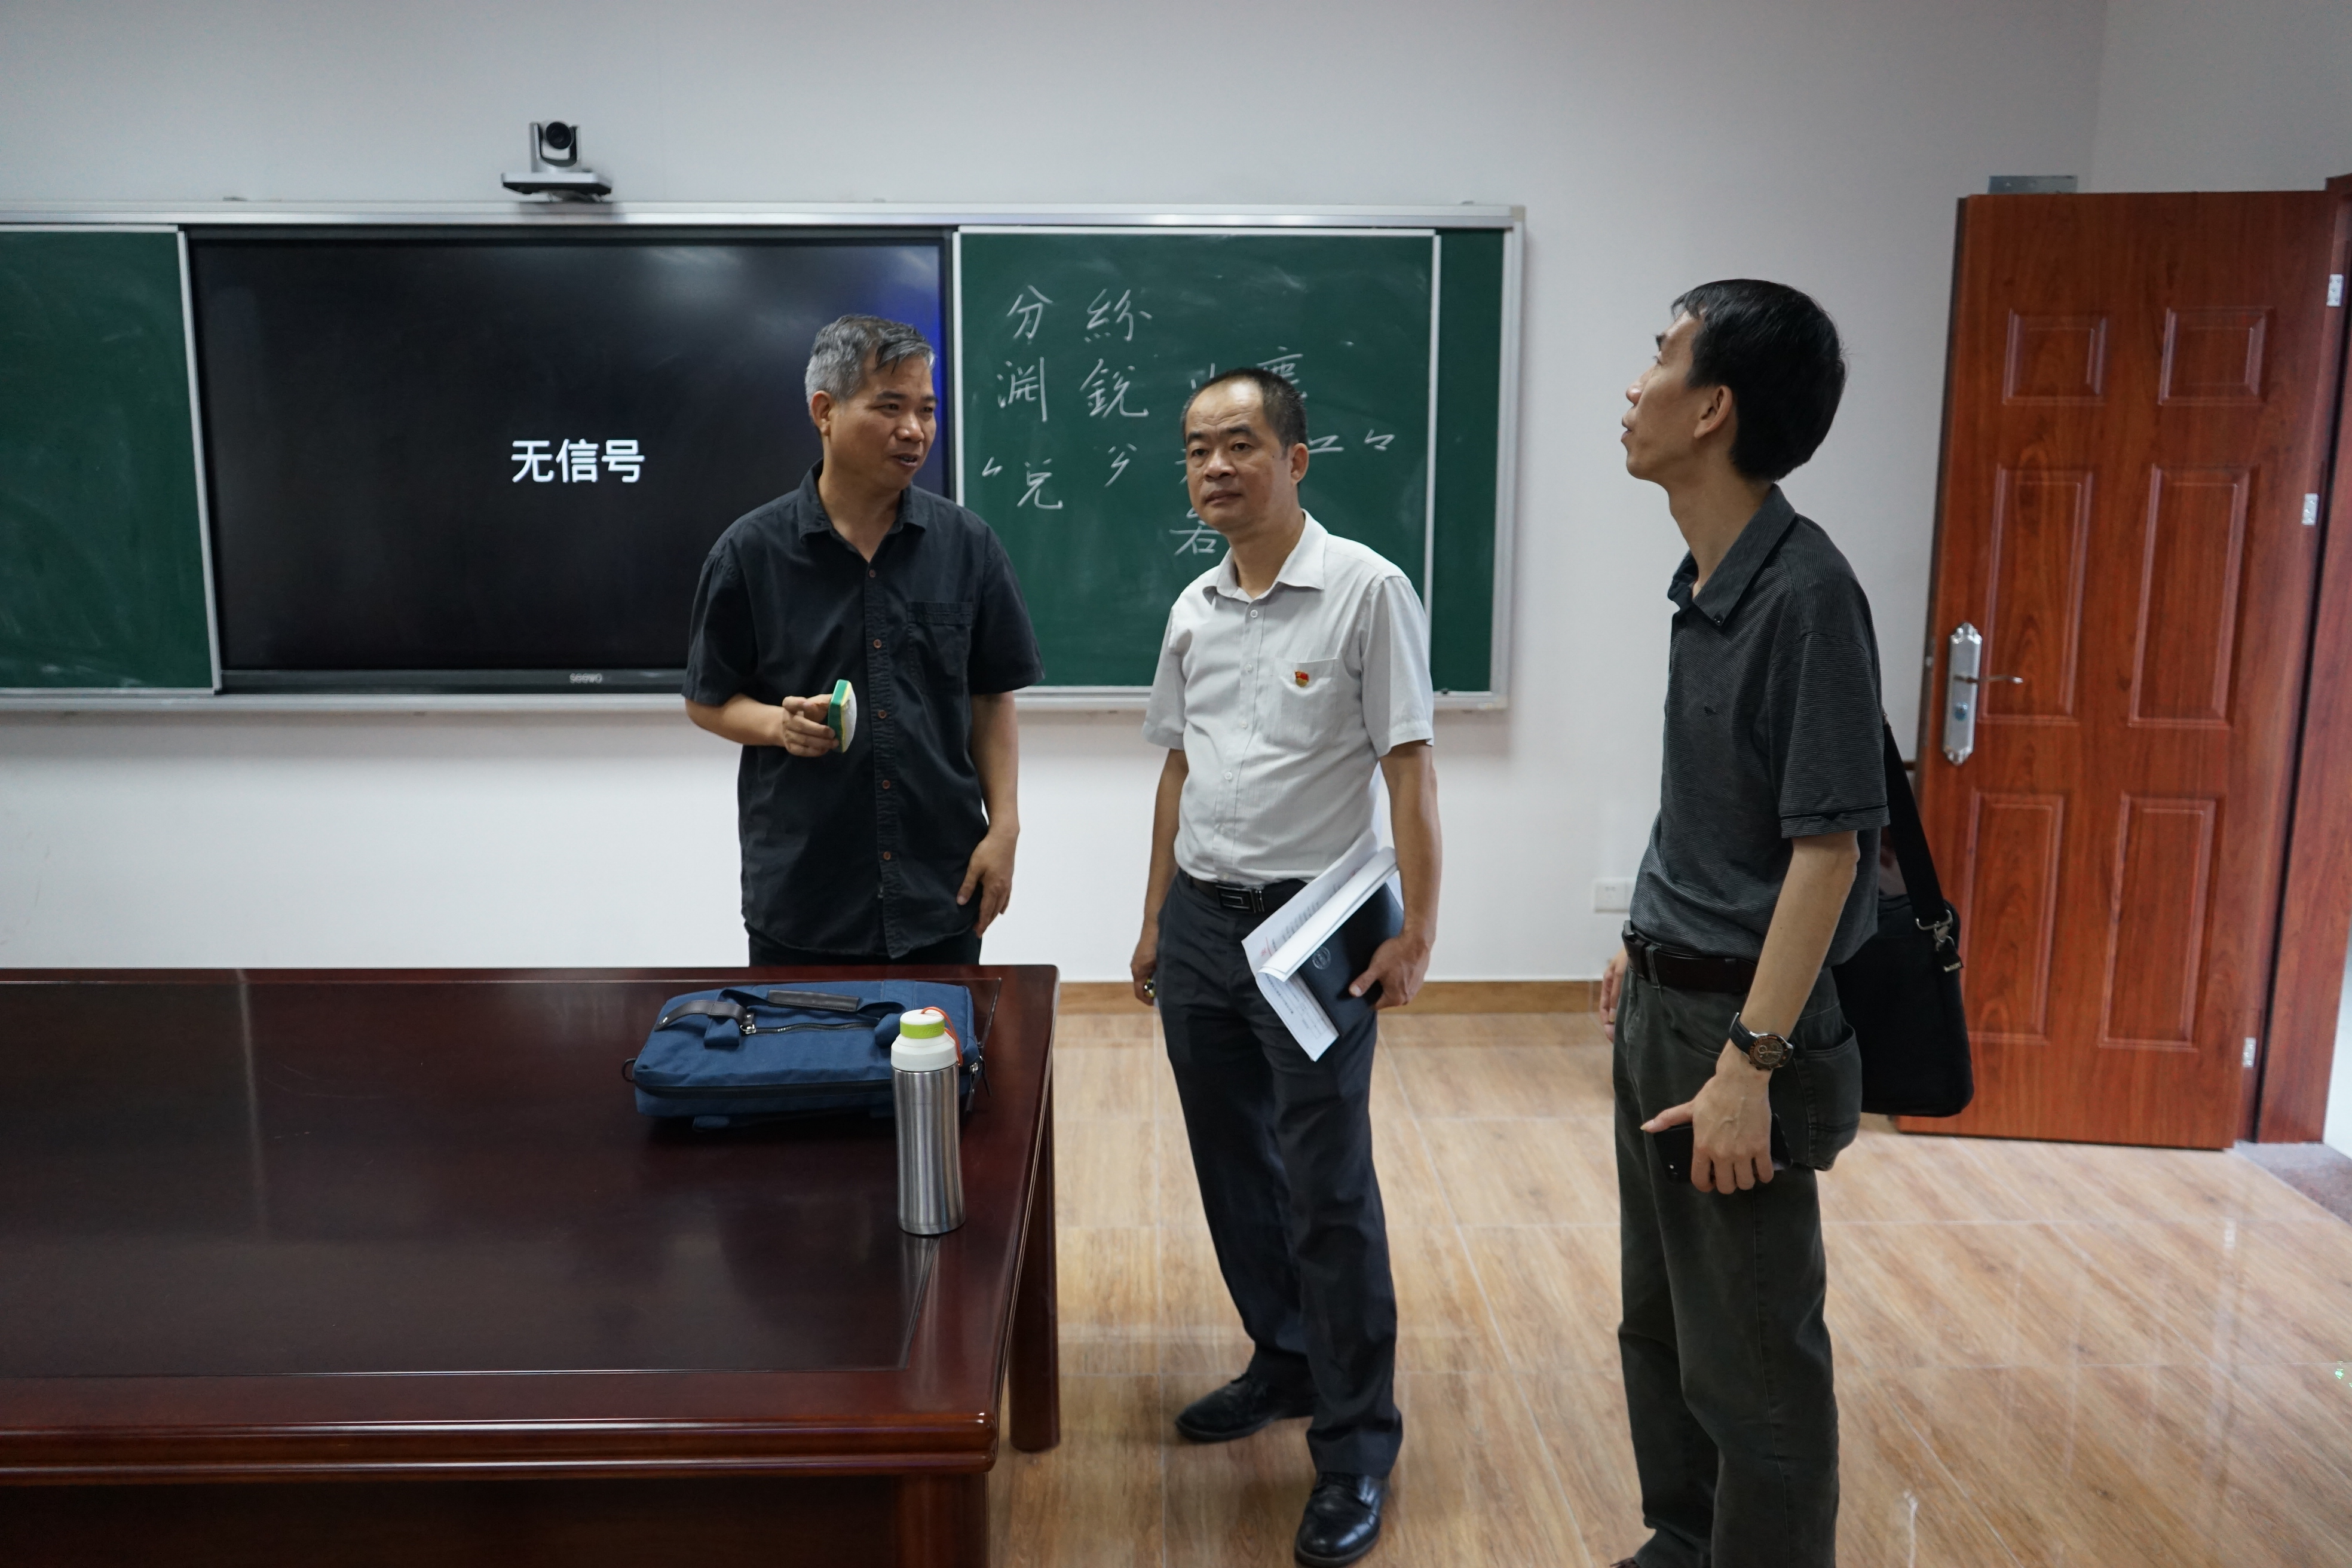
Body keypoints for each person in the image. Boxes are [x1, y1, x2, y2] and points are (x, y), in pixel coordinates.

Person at [1129, 366, 1441, 1568]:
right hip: (1203, 923)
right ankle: (1287, 1354)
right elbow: (1177, 766)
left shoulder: (1368, 589)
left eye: (1241, 443)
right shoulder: (1193, 605)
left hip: (1316, 928)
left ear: (1295, 459)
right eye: (1197, 447)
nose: (1215, 465)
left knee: (1328, 1185)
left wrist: (1419, 931)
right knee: (1233, 1162)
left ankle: (1356, 1447)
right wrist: (1154, 916)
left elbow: (1409, 768)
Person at [1598, 281, 1880, 1568]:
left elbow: (1831, 849)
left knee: (1754, 1354)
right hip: (1670, 994)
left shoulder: (1806, 593)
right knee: (1662, 1317)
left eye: (1659, 358)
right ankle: (1686, 1537)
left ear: (1712, 408)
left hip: (1740, 1026)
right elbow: (1719, 797)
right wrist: (1644, 930)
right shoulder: (1708, 575)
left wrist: (1749, 1067)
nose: (1635, 386)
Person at [684, 315, 1041, 966]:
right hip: (804, 894)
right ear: (825, 411)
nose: (915, 430)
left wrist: (1005, 828)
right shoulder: (750, 552)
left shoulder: (969, 546)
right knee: (801, 1038)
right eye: (891, 407)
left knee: (943, 1038)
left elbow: (992, 698)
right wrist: (778, 726)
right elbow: (708, 700)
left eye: (927, 410)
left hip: (940, 889)